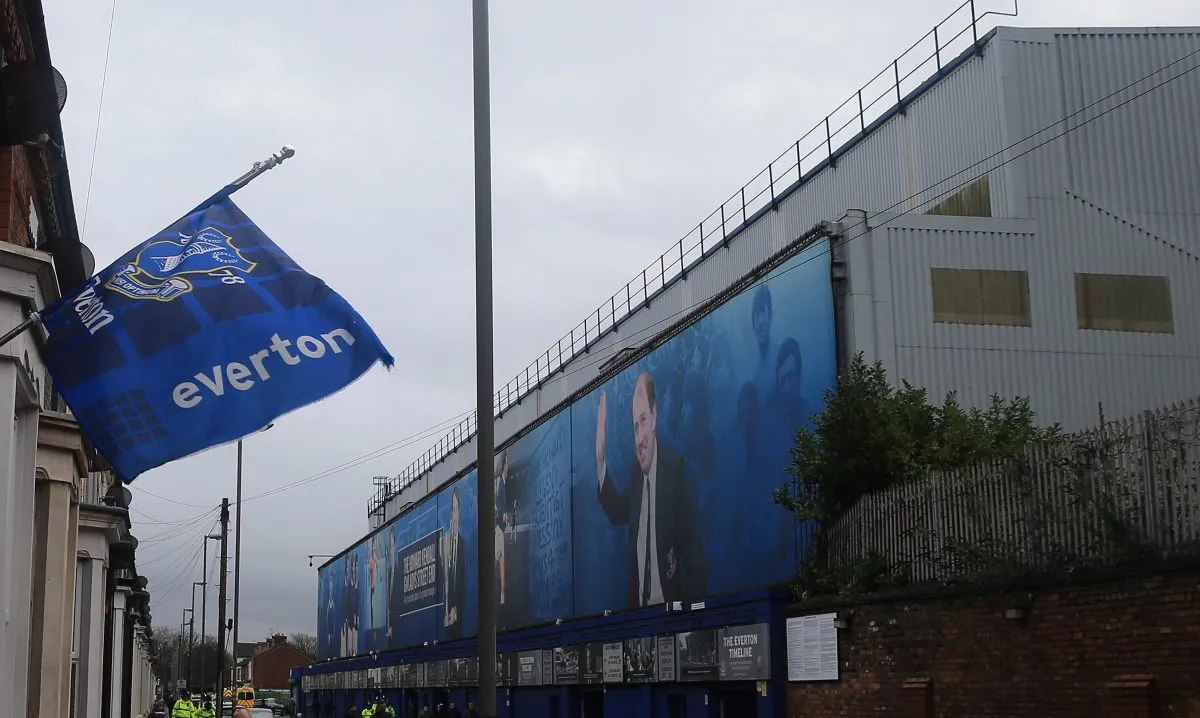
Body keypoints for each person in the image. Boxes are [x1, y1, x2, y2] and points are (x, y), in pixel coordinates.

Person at [595, 372, 707, 608]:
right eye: (635, 427)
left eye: (643, 420)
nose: (639, 438)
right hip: (639, 616)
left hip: (672, 612)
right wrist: (600, 460)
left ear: (655, 418)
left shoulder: (675, 469)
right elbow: (617, 512)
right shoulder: (636, 474)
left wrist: (692, 618)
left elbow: (694, 555)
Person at [441, 488, 466, 639]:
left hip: (457, 614)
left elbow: (462, 581)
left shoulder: (462, 544)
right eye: (453, 509)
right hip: (446, 613)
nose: (455, 514)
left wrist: (456, 608)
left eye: (457, 509)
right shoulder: (446, 541)